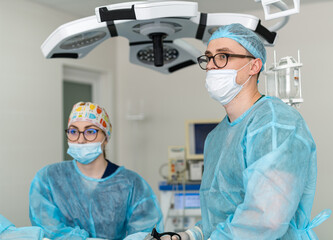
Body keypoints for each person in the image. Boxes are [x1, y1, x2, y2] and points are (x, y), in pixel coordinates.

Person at [164, 23, 331, 240]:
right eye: (208, 58)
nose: (212, 66)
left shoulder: (276, 123)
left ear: (254, 66)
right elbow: (218, 217)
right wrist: (188, 236)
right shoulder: (216, 137)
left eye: (223, 56)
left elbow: (266, 219)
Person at [29, 102, 163, 240]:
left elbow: (146, 234)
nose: (80, 139)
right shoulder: (48, 178)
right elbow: (48, 228)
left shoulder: (132, 184)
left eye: (90, 131)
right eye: (73, 131)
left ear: (105, 138)